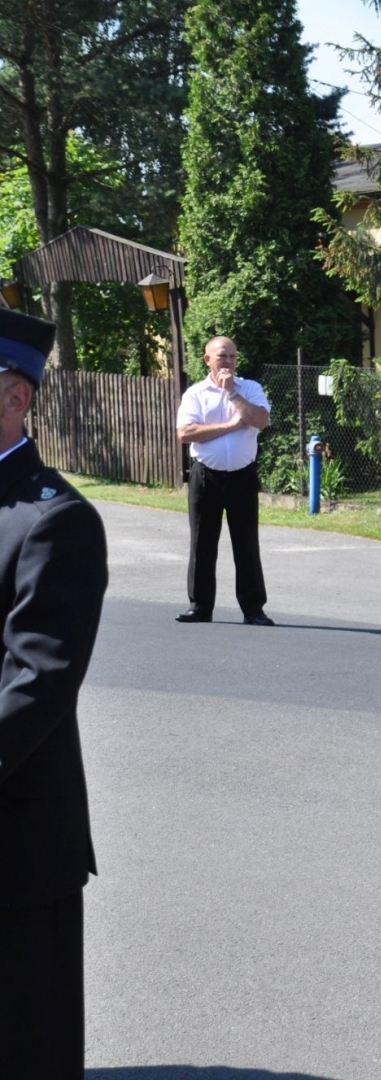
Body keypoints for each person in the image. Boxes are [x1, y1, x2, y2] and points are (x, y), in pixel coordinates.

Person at [0, 309, 109, 1080]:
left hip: (16, 842)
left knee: (25, 1043)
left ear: (16, 398)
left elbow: (37, 683)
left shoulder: (55, 520)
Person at [175, 335, 273, 626]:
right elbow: (185, 433)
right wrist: (230, 425)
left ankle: (253, 609)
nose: (228, 362)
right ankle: (200, 606)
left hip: (242, 477)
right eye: (222, 356)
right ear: (208, 360)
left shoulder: (250, 389)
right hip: (206, 477)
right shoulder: (195, 394)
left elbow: (260, 420)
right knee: (202, 543)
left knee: (246, 544)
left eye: (232, 356)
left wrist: (232, 394)